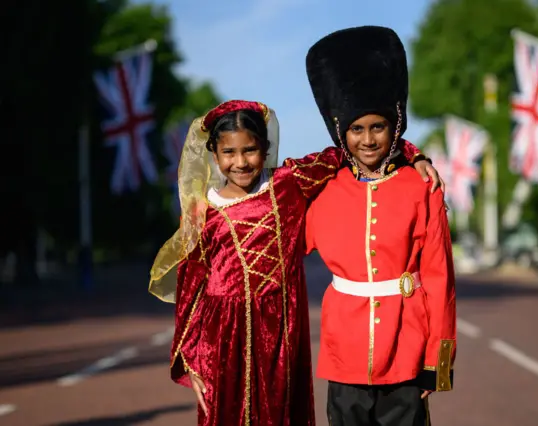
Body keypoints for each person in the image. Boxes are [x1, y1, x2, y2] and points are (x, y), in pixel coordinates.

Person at [148, 99, 442, 426]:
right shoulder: (202, 212)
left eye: (250, 150)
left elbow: (352, 147)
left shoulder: (289, 182)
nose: (241, 162)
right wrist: (192, 356)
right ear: (214, 155)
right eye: (229, 153)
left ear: (266, 148)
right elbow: (192, 286)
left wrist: (413, 154)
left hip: (278, 334)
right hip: (222, 341)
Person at [304, 26, 457, 426]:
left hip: (407, 347)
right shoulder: (322, 189)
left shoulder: (422, 186)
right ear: (342, 132)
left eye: (378, 127)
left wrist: (436, 363)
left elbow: (440, 279)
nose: (368, 139)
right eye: (356, 129)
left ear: (395, 128)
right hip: (343, 352)